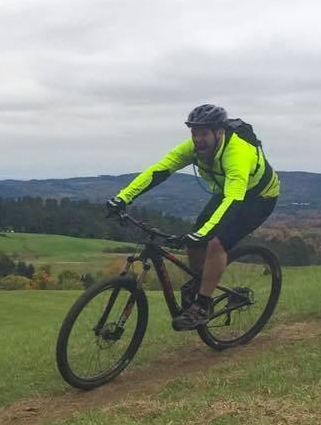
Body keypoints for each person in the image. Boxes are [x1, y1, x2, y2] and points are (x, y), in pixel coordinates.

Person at [106, 104, 280, 330]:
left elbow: (234, 199)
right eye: (194, 133)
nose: (198, 139)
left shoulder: (238, 153)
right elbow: (159, 170)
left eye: (204, 133)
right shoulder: (192, 148)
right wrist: (122, 198)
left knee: (216, 243)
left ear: (219, 132)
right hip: (227, 193)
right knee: (194, 242)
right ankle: (202, 283)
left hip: (259, 197)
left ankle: (203, 305)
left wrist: (204, 234)